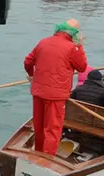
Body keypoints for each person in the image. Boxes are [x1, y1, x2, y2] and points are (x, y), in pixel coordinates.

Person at [23, 19, 88, 155]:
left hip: (38, 92)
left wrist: (32, 75)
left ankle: (38, 152)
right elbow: (82, 67)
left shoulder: (43, 42)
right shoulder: (72, 48)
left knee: (39, 126)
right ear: (74, 34)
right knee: (52, 129)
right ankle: (46, 159)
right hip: (56, 96)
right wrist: (80, 45)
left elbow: (28, 62)